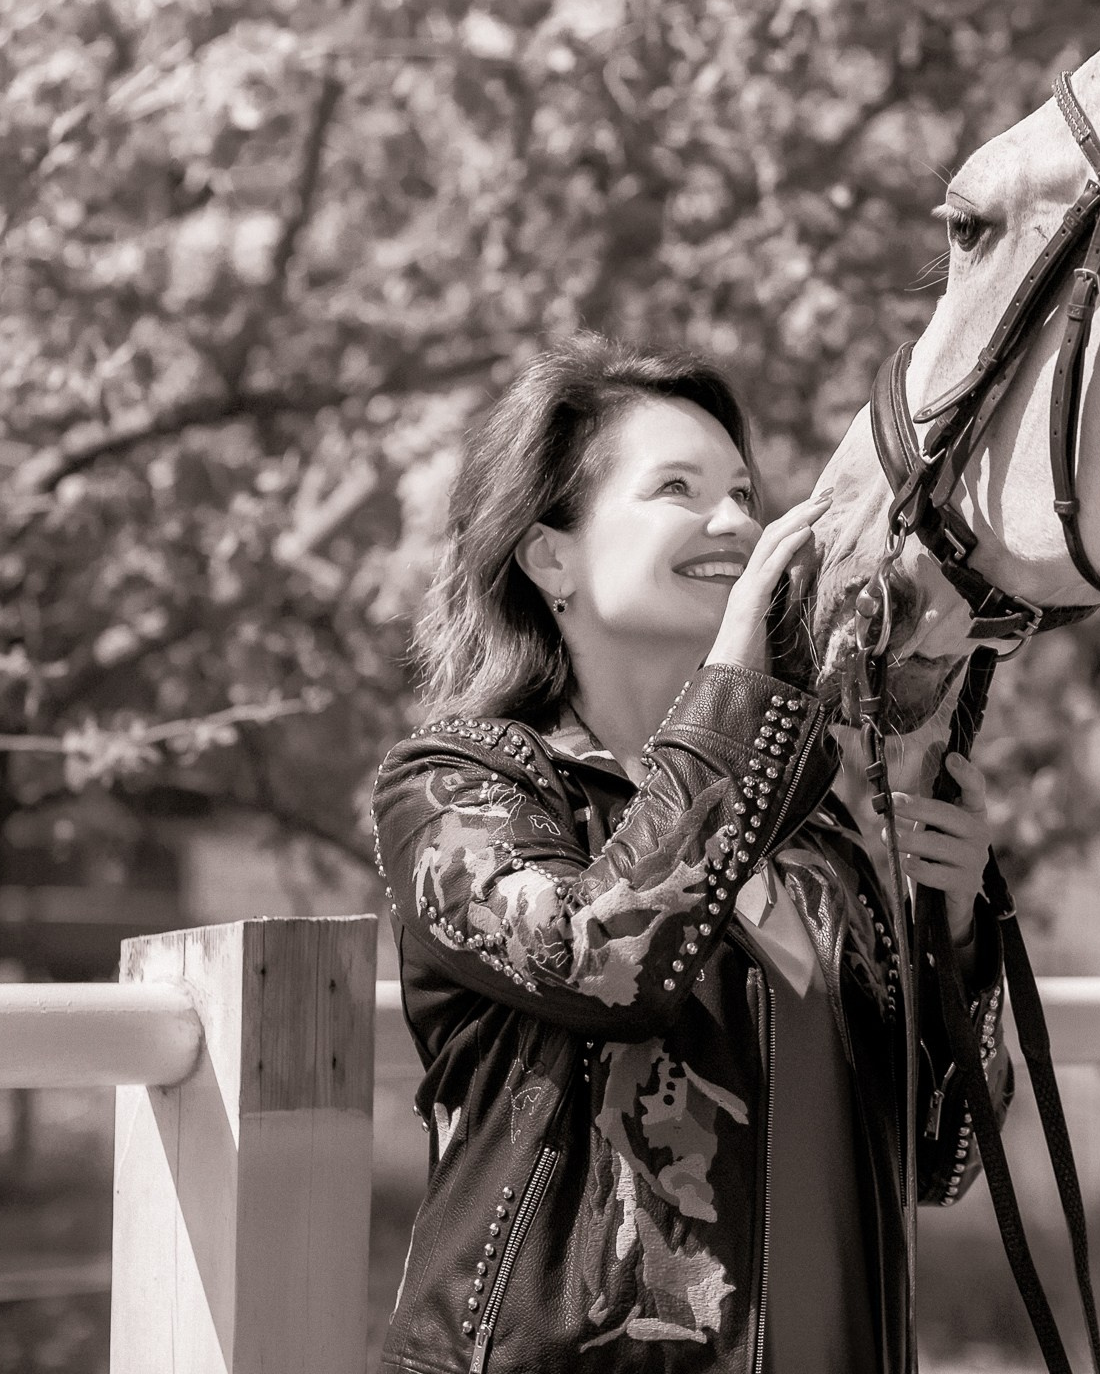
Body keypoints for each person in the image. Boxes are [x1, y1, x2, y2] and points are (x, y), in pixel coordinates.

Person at [370, 334, 1013, 1374]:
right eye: (678, 488)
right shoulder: (456, 787)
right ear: (550, 556)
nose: (736, 524)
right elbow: (601, 959)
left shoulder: (813, 840)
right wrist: (735, 699)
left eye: (742, 492)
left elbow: (942, 1157)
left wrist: (954, 927)